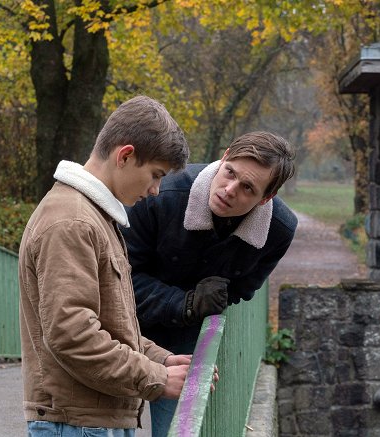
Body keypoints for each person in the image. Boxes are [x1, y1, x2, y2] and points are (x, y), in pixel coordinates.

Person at [18, 95, 196, 437]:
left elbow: (110, 325)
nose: (157, 191)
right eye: (155, 175)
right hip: (76, 425)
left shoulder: (95, 217)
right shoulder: (71, 221)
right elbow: (73, 335)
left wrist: (159, 359)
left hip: (93, 421)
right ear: (125, 156)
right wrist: (154, 378)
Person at [121, 131, 298, 436]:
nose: (230, 190)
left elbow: (242, 290)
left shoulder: (278, 230)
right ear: (225, 156)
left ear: (266, 197)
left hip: (186, 337)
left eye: (247, 188)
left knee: (178, 430)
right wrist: (186, 303)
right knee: (111, 426)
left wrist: (197, 307)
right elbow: (118, 279)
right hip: (121, 326)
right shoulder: (163, 194)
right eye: (229, 173)